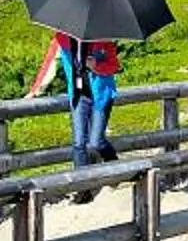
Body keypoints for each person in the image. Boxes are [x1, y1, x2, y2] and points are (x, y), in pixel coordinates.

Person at [26, 29, 123, 163]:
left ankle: (116, 164)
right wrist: (35, 90)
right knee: (78, 143)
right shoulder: (62, 38)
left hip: (101, 95)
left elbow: (114, 65)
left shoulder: (102, 38)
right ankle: (82, 181)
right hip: (78, 95)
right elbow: (49, 64)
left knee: (96, 142)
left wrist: (96, 66)